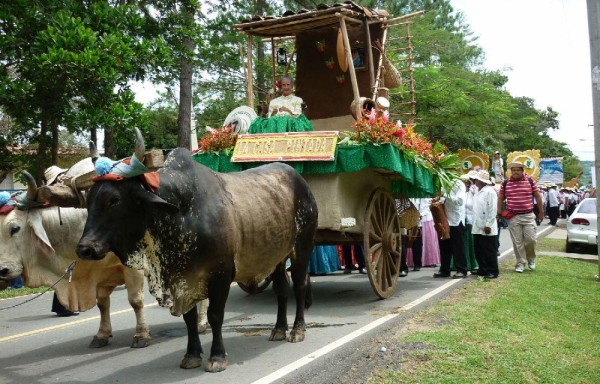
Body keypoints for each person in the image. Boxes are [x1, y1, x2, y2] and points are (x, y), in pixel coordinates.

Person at [44, 165, 79, 317]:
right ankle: (64, 307)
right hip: (59, 242)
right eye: (60, 177)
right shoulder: (48, 200)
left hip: (64, 240)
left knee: (67, 274)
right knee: (66, 274)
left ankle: (64, 306)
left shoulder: (65, 197)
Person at [497, 162, 544, 273]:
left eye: (518, 170)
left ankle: (531, 259)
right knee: (517, 242)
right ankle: (520, 263)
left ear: (522, 171)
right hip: (513, 217)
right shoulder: (505, 183)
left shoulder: (530, 181)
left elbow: (537, 196)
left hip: (528, 216)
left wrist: (541, 212)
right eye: (513, 170)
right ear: (511, 171)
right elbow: (500, 198)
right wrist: (499, 212)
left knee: (531, 240)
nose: (515, 172)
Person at [433, 177, 468, 279]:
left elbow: (460, 201)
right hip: (444, 219)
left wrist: (445, 196)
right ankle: (444, 270)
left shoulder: (458, 184)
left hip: (456, 220)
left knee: (458, 246)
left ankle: (462, 270)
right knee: (444, 246)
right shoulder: (442, 183)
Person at [471, 170, 499, 278]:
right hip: (477, 224)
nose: (475, 181)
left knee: (489, 250)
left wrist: (488, 224)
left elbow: (492, 209)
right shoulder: (478, 191)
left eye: (477, 179)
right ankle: (482, 268)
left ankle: (492, 270)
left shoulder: (490, 192)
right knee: (479, 249)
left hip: (487, 225)